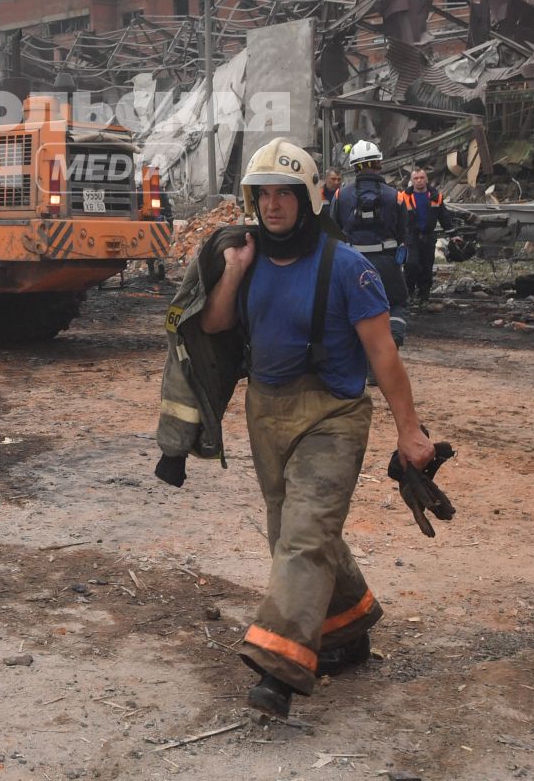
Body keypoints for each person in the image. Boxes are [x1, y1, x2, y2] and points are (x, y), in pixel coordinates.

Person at [154, 139, 433, 720]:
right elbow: (217, 323)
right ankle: (349, 628)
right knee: (293, 529)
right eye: (264, 194)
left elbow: (385, 358)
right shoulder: (247, 257)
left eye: (285, 193)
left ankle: (280, 666)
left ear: (308, 199)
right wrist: (231, 273)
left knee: (304, 535)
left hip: (334, 413)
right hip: (267, 410)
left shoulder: (348, 268)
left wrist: (411, 432)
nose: (274, 205)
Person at [332, 140, 410, 346]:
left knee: (353, 306)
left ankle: (360, 356)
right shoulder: (397, 196)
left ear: (354, 165)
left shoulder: (341, 195)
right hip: (387, 263)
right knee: (395, 303)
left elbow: (334, 231)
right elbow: (403, 233)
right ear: (379, 163)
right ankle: (391, 343)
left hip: (352, 263)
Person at [397, 167, 456, 306]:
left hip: (428, 236)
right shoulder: (403, 197)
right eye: (416, 178)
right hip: (411, 236)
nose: (419, 181)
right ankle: (409, 292)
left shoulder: (436, 197)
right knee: (411, 265)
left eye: (421, 178)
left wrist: (453, 235)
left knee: (427, 266)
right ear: (412, 181)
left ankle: (424, 296)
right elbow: (396, 218)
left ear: (426, 179)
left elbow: (444, 217)